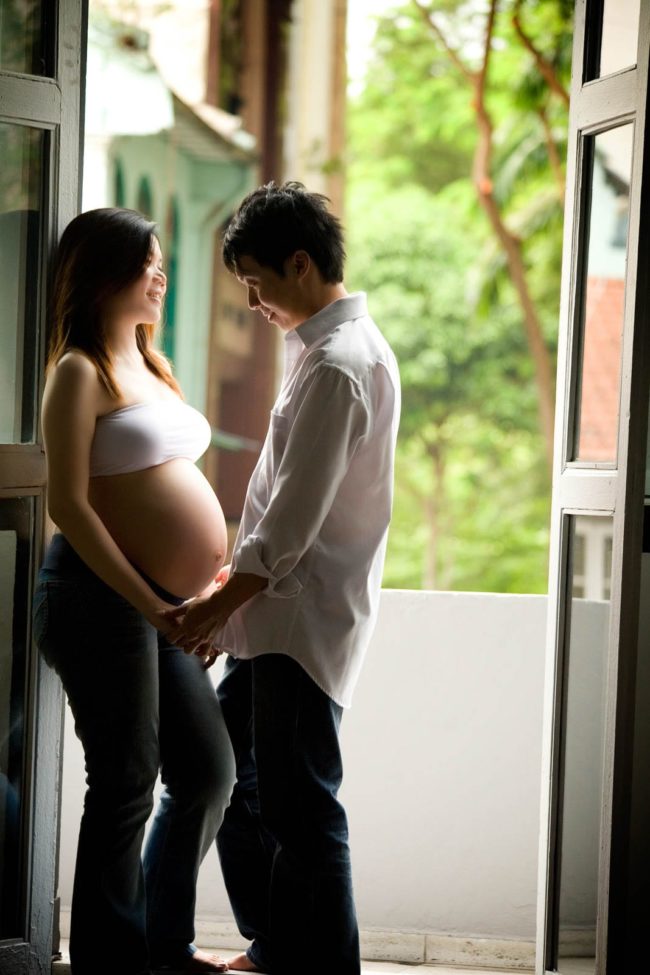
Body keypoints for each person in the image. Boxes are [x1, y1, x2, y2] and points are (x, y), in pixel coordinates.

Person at [167, 181, 401, 975]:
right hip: (271, 617)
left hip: (299, 621)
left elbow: (290, 529)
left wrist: (209, 609)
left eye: (256, 283)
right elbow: (282, 511)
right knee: (238, 778)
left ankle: (319, 963)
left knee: (304, 809)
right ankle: (279, 943)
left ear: (299, 264)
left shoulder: (339, 364)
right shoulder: (327, 351)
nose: (252, 302)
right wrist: (228, 604)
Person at [32, 208, 235, 975]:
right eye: (148, 262)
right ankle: (113, 963)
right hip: (95, 595)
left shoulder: (152, 361)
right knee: (124, 783)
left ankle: (160, 942)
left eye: (160, 261)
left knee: (209, 771)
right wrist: (155, 603)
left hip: (162, 602)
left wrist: (205, 583)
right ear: (104, 273)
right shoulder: (79, 370)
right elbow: (69, 505)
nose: (161, 273)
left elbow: (168, 484)